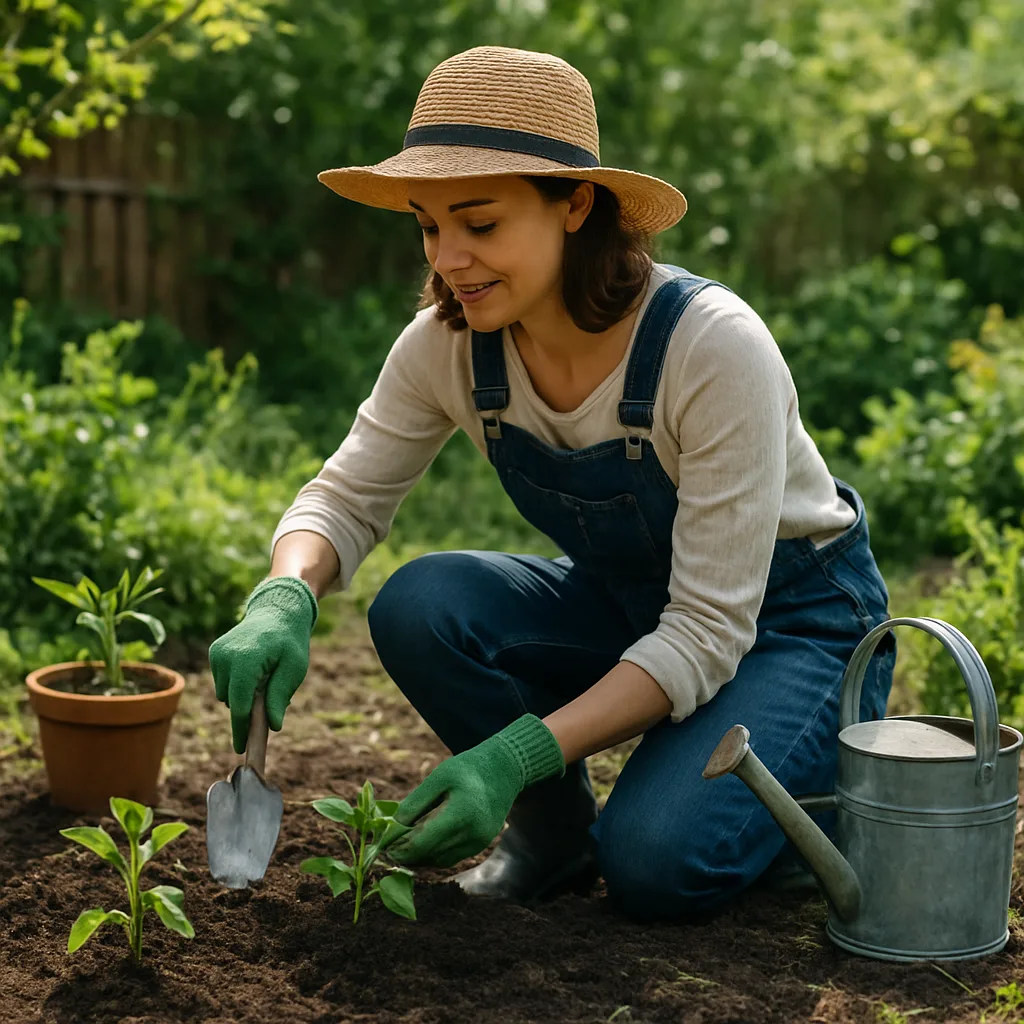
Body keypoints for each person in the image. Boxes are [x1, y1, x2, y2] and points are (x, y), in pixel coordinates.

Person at [208, 45, 896, 923]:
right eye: (427, 225)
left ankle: (815, 790)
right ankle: (554, 838)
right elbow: (343, 498)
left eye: (480, 224)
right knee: (423, 603)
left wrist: (513, 752)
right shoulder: (449, 344)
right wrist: (284, 593)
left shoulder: (712, 348)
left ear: (576, 205)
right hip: (636, 605)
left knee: (654, 867)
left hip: (788, 628)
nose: (449, 257)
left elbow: (709, 627)